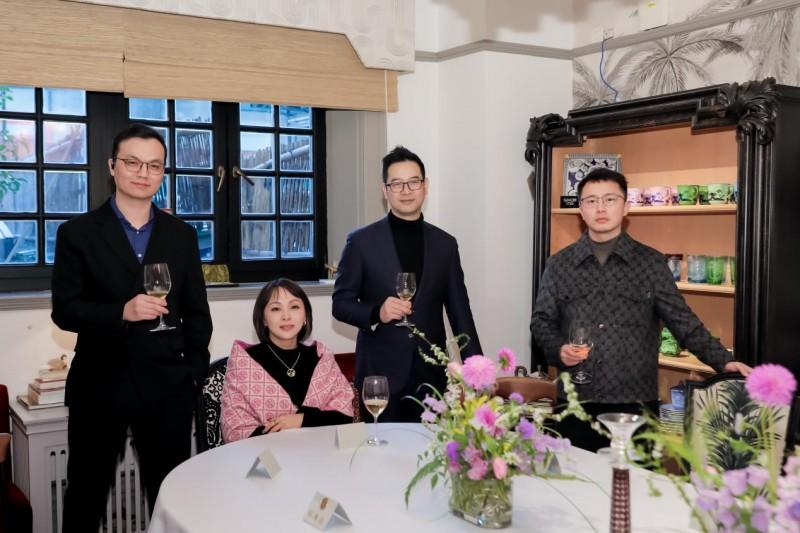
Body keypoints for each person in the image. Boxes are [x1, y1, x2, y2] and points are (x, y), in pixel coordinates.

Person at [51, 124, 212, 532]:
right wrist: (121, 311)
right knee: (85, 495)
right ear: (112, 166)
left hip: (167, 388)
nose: (143, 173)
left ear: (162, 173)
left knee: (172, 495)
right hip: (100, 385)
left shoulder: (183, 236)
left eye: (154, 165)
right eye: (133, 162)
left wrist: (193, 373)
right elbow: (65, 311)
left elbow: (197, 313)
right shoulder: (77, 233)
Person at [530, 168, 751, 452]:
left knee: (636, 479)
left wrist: (724, 362)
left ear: (626, 207)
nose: (601, 208)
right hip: (575, 401)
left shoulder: (651, 263)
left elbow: (683, 322)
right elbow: (542, 322)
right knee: (576, 477)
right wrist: (559, 349)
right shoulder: (559, 265)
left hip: (635, 404)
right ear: (581, 210)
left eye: (610, 199)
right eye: (591, 201)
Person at [332, 146, 482, 422]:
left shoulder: (445, 245)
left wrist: (477, 370)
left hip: (431, 376)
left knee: (431, 447)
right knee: (380, 448)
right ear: (385, 190)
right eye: (397, 184)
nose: (406, 190)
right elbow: (340, 304)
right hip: (380, 376)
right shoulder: (361, 242)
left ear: (425, 186)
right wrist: (377, 312)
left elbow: (460, 312)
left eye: (413, 182)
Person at [221, 279, 354, 441]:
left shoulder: (321, 357)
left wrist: (301, 420)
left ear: (305, 315)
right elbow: (235, 432)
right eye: (276, 309)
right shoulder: (244, 362)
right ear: (263, 319)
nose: (286, 316)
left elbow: (345, 417)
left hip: (320, 449)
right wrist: (292, 429)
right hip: (264, 454)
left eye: (294, 307)